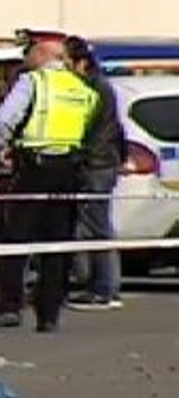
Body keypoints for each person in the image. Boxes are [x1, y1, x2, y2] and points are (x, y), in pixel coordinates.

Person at [0, 29, 99, 333]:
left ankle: (7, 306)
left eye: (29, 50)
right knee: (56, 245)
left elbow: (3, 120)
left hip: (34, 167)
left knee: (15, 239)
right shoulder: (82, 88)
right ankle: (49, 313)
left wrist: (2, 148)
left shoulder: (34, 82)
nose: (25, 57)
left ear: (42, 52)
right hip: (68, 170)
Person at [64, 35, 126, 311]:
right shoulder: (101, 88)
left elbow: (95, 131)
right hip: (102, 162)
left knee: (98, 227)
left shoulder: (95, 90)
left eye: (66, 61)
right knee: (94, 226)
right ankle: (99, 285)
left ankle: (104, 288)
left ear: (81, 63)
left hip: (96, 165)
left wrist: (79, 157)